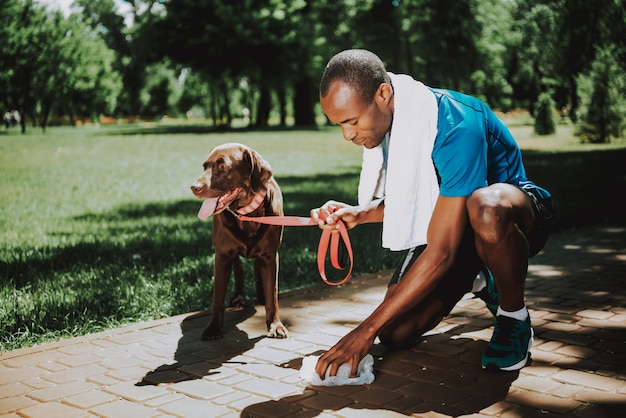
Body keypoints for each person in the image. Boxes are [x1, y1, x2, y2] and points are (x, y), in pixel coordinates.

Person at [310, 49, 553, 377]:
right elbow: (421, 200)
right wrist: (359, 213)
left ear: (383, 94)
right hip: (454, 228)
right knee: (395, 332)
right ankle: (481, 278)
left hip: (515, 218)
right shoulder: (392, 124)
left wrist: (362, 332)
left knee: (485, 207)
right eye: (340, 124)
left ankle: (514, 318)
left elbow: (442, 252)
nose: (348, 135)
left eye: (352, 121)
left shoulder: (456, 125)